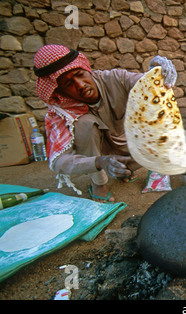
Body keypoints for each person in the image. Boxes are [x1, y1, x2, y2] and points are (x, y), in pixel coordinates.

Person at [33, 44, 177, 203]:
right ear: (60, 92)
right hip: (99, 152)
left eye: (80, 75)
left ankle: (126, 168)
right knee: (84, 124)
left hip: (128, 142)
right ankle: (98, 183)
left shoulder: (115, 79)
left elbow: (146, 84)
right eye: (68, 84)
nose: (80, 85)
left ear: (87, 69)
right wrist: (99, 162)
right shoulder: (63, 112)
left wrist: (156, 73)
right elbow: (59, 162)